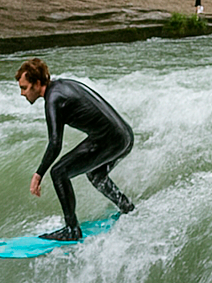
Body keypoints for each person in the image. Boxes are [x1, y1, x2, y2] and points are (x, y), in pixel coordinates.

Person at [17, 56, 135, 242]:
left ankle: (72, 229)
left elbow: (55, 144)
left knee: (58, 173)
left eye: (24, 88)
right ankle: (126, 207)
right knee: (96, 175)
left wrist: (39, 174)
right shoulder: (63, 85)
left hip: (110, 139)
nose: (22, 93)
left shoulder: (53, 99)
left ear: (37, 83)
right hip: (126, 136)